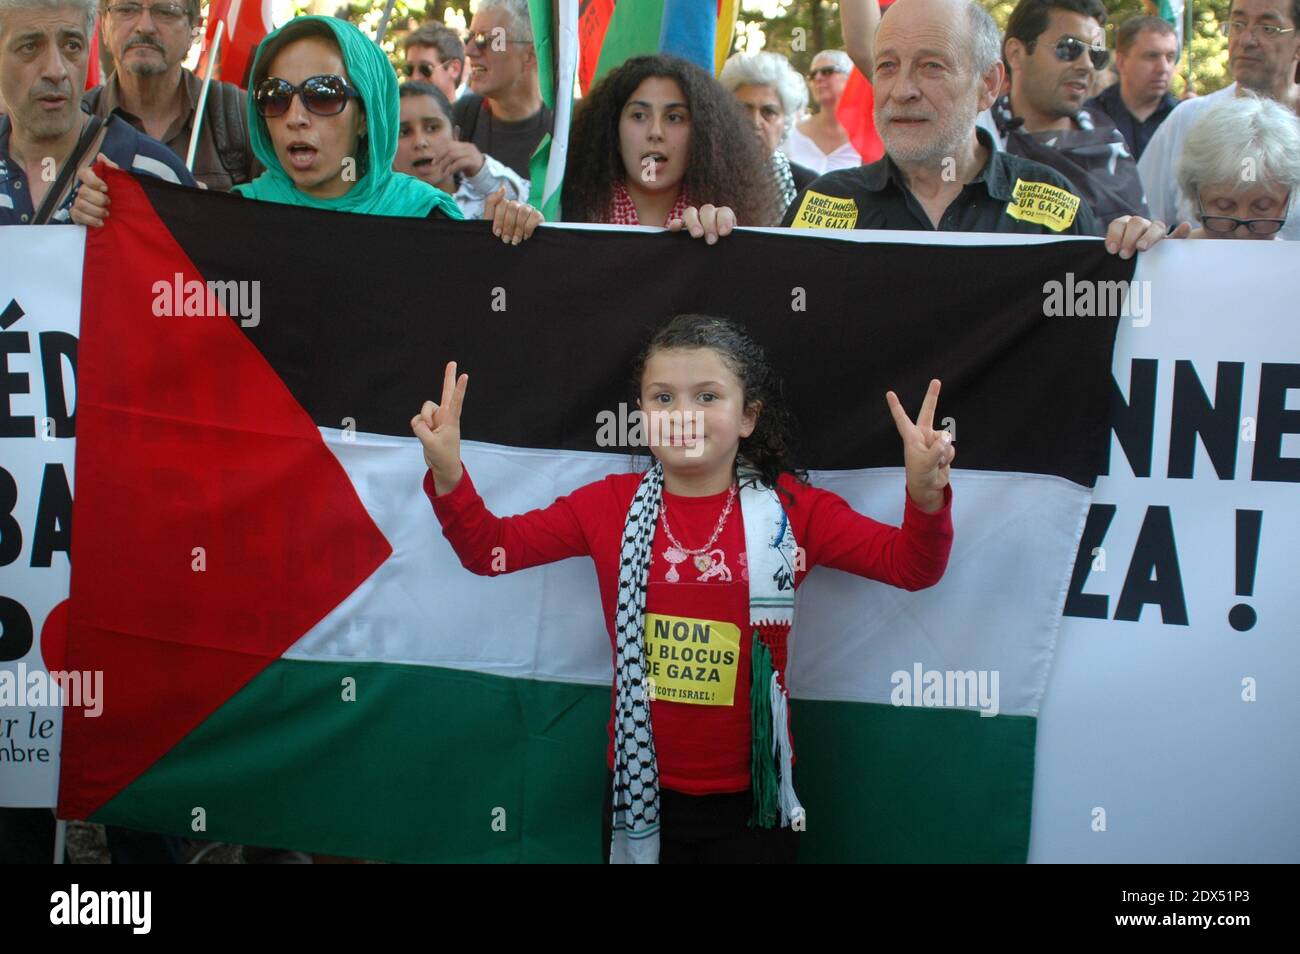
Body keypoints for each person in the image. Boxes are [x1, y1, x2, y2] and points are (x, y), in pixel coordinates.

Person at [412, 313, 955, 863]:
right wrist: (449, 473)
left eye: (707, 397)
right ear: (642, 414)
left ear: (748, 417)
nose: (683, 416)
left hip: (755, 800)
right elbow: (490, 552)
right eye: (663, 398)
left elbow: (912, 566)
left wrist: (925, 494)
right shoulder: (606, 506)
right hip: (638, 792)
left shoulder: (796, 511)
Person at [73, 16, 543, 242]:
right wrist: (110, 218)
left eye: (322, 94)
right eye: (275, 96)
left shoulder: (427, 218)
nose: (296, 116)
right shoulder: (235, 218)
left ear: (365, 116)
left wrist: (514, 244)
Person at [783, 0, 1175, 257]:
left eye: (931, 66)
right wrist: (723, 241)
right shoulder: (819, 207)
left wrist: (1147, 258)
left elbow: (1097, 347)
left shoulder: (1056, 209)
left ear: (988, 84)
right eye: (887, 65)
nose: (902, 90)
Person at [1, 0, 193, 225]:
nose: (56, 70)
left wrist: (131, 231)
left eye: (72, 46)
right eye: (30, 47)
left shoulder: (157, 176)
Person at [562, 53, 779, 237]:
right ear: (612, 131)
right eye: (639, 116)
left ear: (701, 136)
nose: (655, 132)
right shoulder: (564, 213)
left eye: (674, 118)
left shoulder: (723, 225)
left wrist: (726, 242)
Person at [1139, 0, 1300, 238]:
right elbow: (1142, 217)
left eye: (1267, 28)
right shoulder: (1187, 118)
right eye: (1237, 24)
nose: (1246, 40)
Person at [991, 0, 1149, 228]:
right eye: (1068, 48)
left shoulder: (1108, 143)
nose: (1086, 65)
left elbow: (1141, 251)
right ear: (1016, 53)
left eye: (1095, 55)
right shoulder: (977, 137)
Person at [84, 0, 261, 190]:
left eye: (166, 12)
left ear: (194, 30)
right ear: (103, 26)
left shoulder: (241, 116)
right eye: (126, 9)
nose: (145, 27)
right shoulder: (78, 122)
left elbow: (280, 212)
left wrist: (216, 211)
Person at [396, 81, 527, 220]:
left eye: (432, 128)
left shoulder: (486, 196)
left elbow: (528, 204)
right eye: (404, 132)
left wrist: (483, 171)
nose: (420, 142)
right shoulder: (376, 209)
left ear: (455, 135)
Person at [1177, 92, 1300, 239]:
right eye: (1224, 206)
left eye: (1263, 207)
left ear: (1288, 202)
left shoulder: (1291, 261)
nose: (1242, 232)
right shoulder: (1167, 256)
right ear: (1196, 200)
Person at [453, 0, 552, 180]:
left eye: (484, 40)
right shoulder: (461, 117)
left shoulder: (565, 129)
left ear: (529, 55)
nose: (469, 50)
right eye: (469, 37)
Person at [719, 51, 818, 219]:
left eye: (769, 111)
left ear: (785, 122)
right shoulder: (699, 179)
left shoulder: (809, 188)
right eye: (743, 109)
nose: (755, 122)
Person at [1085, 15, 1179, 161]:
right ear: (1121, 62)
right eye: (1152, 56)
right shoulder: (1089, 117)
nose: (1164, 68)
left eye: (1170, 57)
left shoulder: (1183, 118)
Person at [782, 50, 862, 174]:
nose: (818, 78)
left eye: (827, 71)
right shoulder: (792, 134)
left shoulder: (869, 136)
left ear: (850, 77)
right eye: (812, 75)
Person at [401, 21, 463, 102]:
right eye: (409, 69)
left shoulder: (471, 113)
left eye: (425, 69)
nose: (415, 78)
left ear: (454, 68)